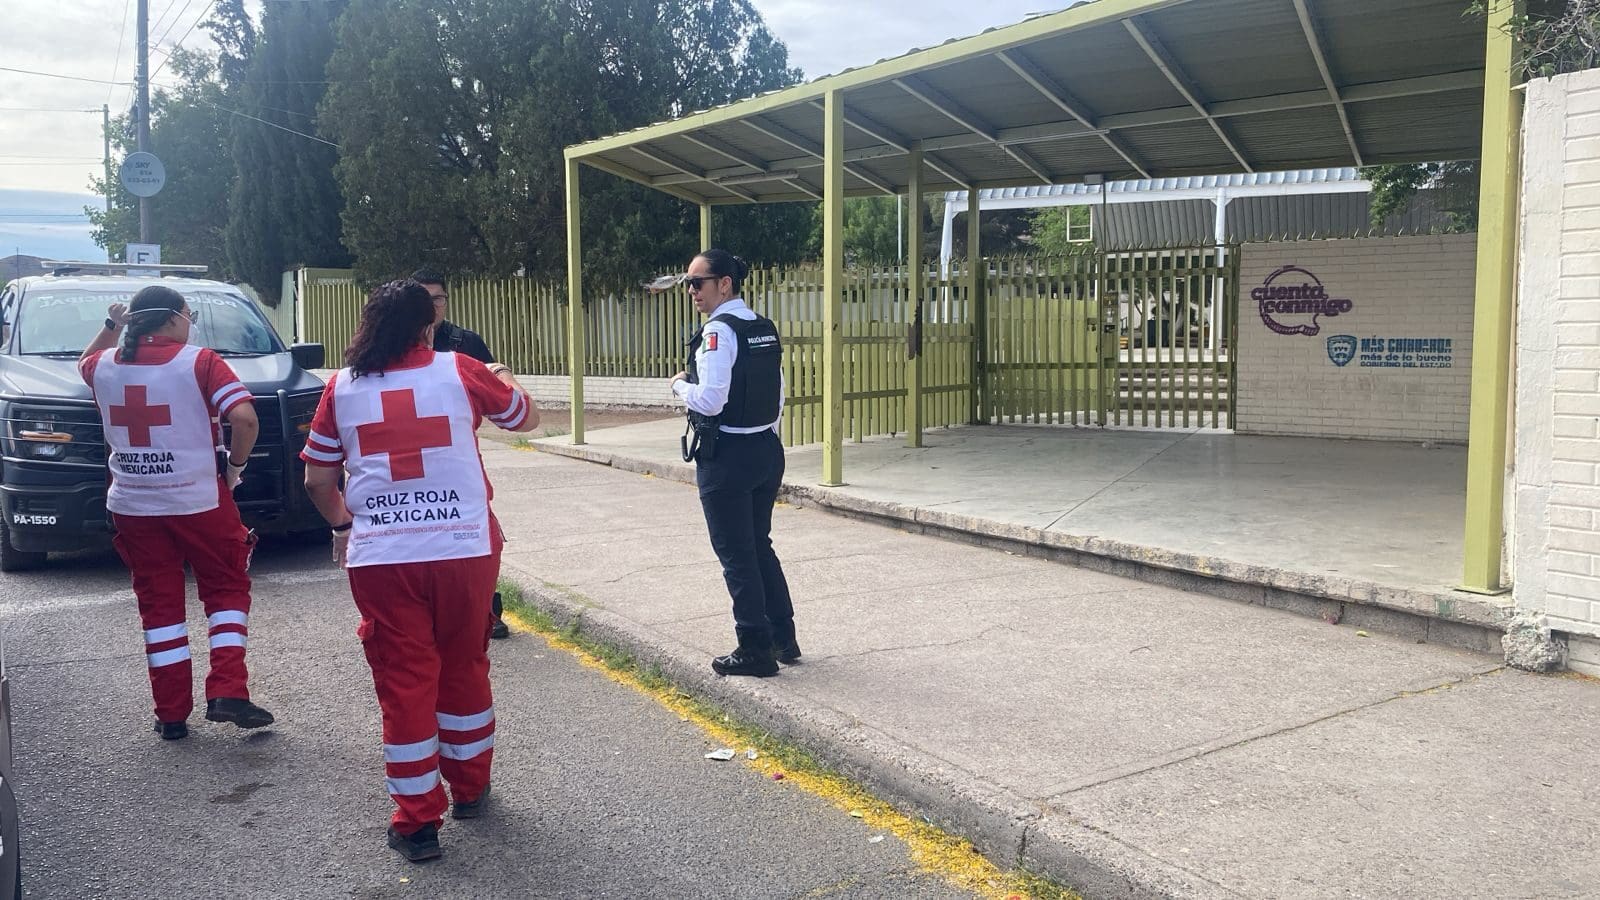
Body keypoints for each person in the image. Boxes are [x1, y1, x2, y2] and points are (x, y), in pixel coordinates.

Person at [301, 279, 538, 863]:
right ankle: (471, 789)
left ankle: (416, 823)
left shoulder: (341, 387)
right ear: (428, 326)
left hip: (384, 558)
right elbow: (526, 418)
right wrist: (504, 376)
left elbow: (317, 480)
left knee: (406, 682)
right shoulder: (460, 370)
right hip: (464, 549)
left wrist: (343, 527)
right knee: (465, 664)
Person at [78, 285, 275, 740]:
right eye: (189, 316)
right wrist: (235, 468)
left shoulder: (103, 364)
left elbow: (84, 360)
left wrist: (112, 326)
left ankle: (170, 714)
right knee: (226, 587)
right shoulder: (200, 361)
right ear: (173, 318)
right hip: (198, 499)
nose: (191, 325)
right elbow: (245, 419)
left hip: (132, 504)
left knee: (159, 605)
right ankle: (227, 689)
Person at [669, 249, 800, 678]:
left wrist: (678, 386)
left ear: (724, 284)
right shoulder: (762, 327)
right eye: (687, 283)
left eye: (697, 282)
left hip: (728, 455)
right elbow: (779, 393)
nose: (691, 291)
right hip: (765, 449)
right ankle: (782, 636)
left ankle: (754, 648)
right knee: (759, 545)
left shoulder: (718, 331)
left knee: (737, 555)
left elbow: (710, 400)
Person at [411, 267, 509, 641]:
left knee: (475, 532)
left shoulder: (465, 342)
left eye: (438, 298)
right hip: (407, 457)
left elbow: (498, 399)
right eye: (423, 298)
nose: (431, 306)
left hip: (457, 456)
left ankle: (487, 611)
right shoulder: (390, 342)